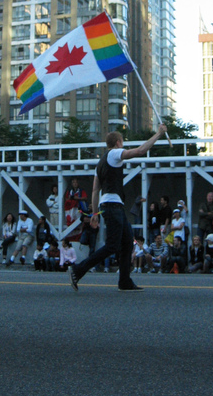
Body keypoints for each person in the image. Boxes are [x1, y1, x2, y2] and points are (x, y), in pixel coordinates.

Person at [69, 124, 167, 292]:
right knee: (113, 245)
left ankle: (124, 281)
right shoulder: (115, 154)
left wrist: (95, 213)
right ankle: (78, 270)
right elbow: (139, 151)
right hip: (113, 205)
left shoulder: (100, 163)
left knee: (128, 242)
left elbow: (95, 190)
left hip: (110, 205)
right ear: (118, 142)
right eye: (122, 142)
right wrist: (158, 134)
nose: (123, 145)